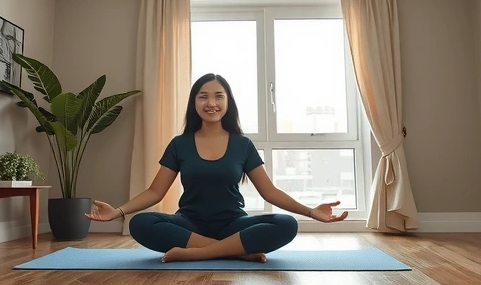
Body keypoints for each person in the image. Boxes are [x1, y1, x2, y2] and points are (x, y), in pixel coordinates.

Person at [87, 73, 348, 262]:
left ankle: (197, 254)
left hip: (233, 223)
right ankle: (236, 252)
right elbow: (155, 192)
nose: (211, 103)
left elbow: (270, 193)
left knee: (287, 224)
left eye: (218, 96)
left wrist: (311, 212)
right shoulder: (180, 144)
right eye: (203, 97)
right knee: (141, 224)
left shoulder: (242, 144)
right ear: (194, 103)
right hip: (188, 223)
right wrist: (118, 212)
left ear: (227, 102)